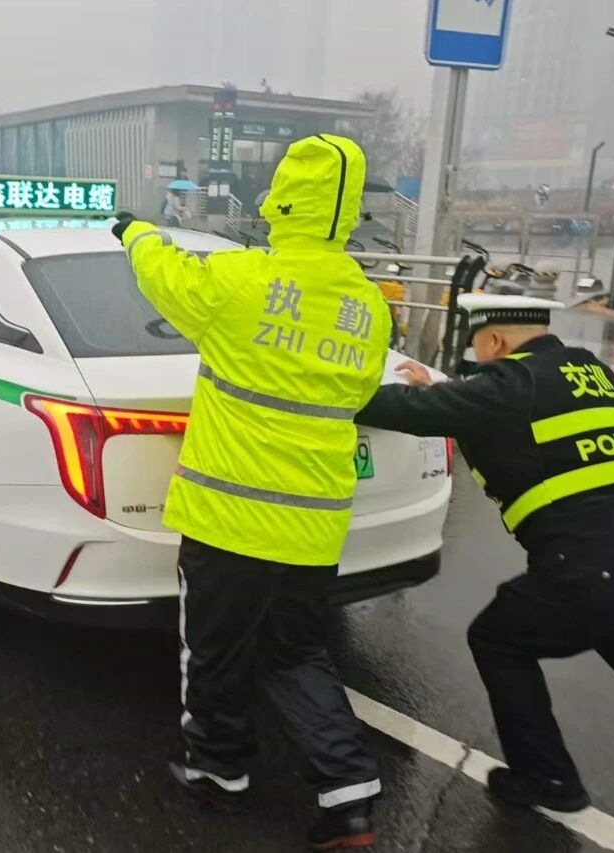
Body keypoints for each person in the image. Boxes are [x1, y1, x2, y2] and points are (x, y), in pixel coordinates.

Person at [112, 134, 392, 849]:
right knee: (297, 652)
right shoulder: (367, 305)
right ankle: (350, 793)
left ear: (282, 200)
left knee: (213, 650)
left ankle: (218, 771)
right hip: (314, 525)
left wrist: (134, 230)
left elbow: (164, 275)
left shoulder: (241, 280)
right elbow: (360, 390)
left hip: (230, 517)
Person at [356, 293, 614, 814]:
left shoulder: (508, 384)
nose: (478, 357)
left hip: (588, 568)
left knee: (498, 638)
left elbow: (397, 408)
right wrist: (447, 392)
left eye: (478, 346)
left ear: (495, 340)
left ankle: (549, 780)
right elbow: (498, 410)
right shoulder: (590, 371)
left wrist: (318, 388)